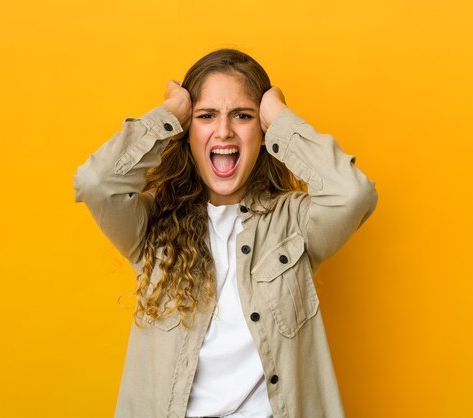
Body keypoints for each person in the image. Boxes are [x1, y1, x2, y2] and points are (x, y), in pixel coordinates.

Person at [73, 48, 378, 418]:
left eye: (242, 115)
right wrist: (172, 112)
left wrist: (278, 115)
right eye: (206, 116)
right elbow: (96, 182)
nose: (223, 130)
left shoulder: (293, 221)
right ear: (187, 133)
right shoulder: (151, 225)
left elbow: (353, 194)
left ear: (262, 133)